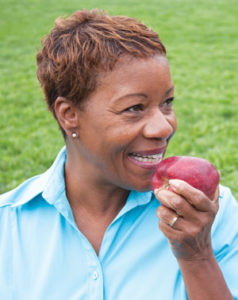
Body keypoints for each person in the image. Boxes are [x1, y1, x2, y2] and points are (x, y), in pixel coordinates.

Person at [0, 9, 238, 300]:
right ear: (69, 114)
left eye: (167, 102)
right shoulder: (9, 226)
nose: (164, 126)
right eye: (134, 108)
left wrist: (197, 256)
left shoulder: (210, 212)